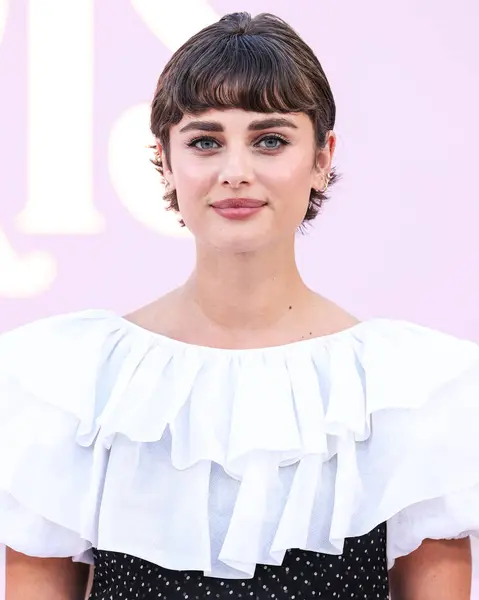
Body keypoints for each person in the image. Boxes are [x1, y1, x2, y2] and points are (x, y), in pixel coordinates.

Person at [1, 11, 478, 600]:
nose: (235, 172)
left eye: (269, 140)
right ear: (166, 161)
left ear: (323, 157)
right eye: (205, 141)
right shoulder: (76, 384)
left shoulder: (408, 390)